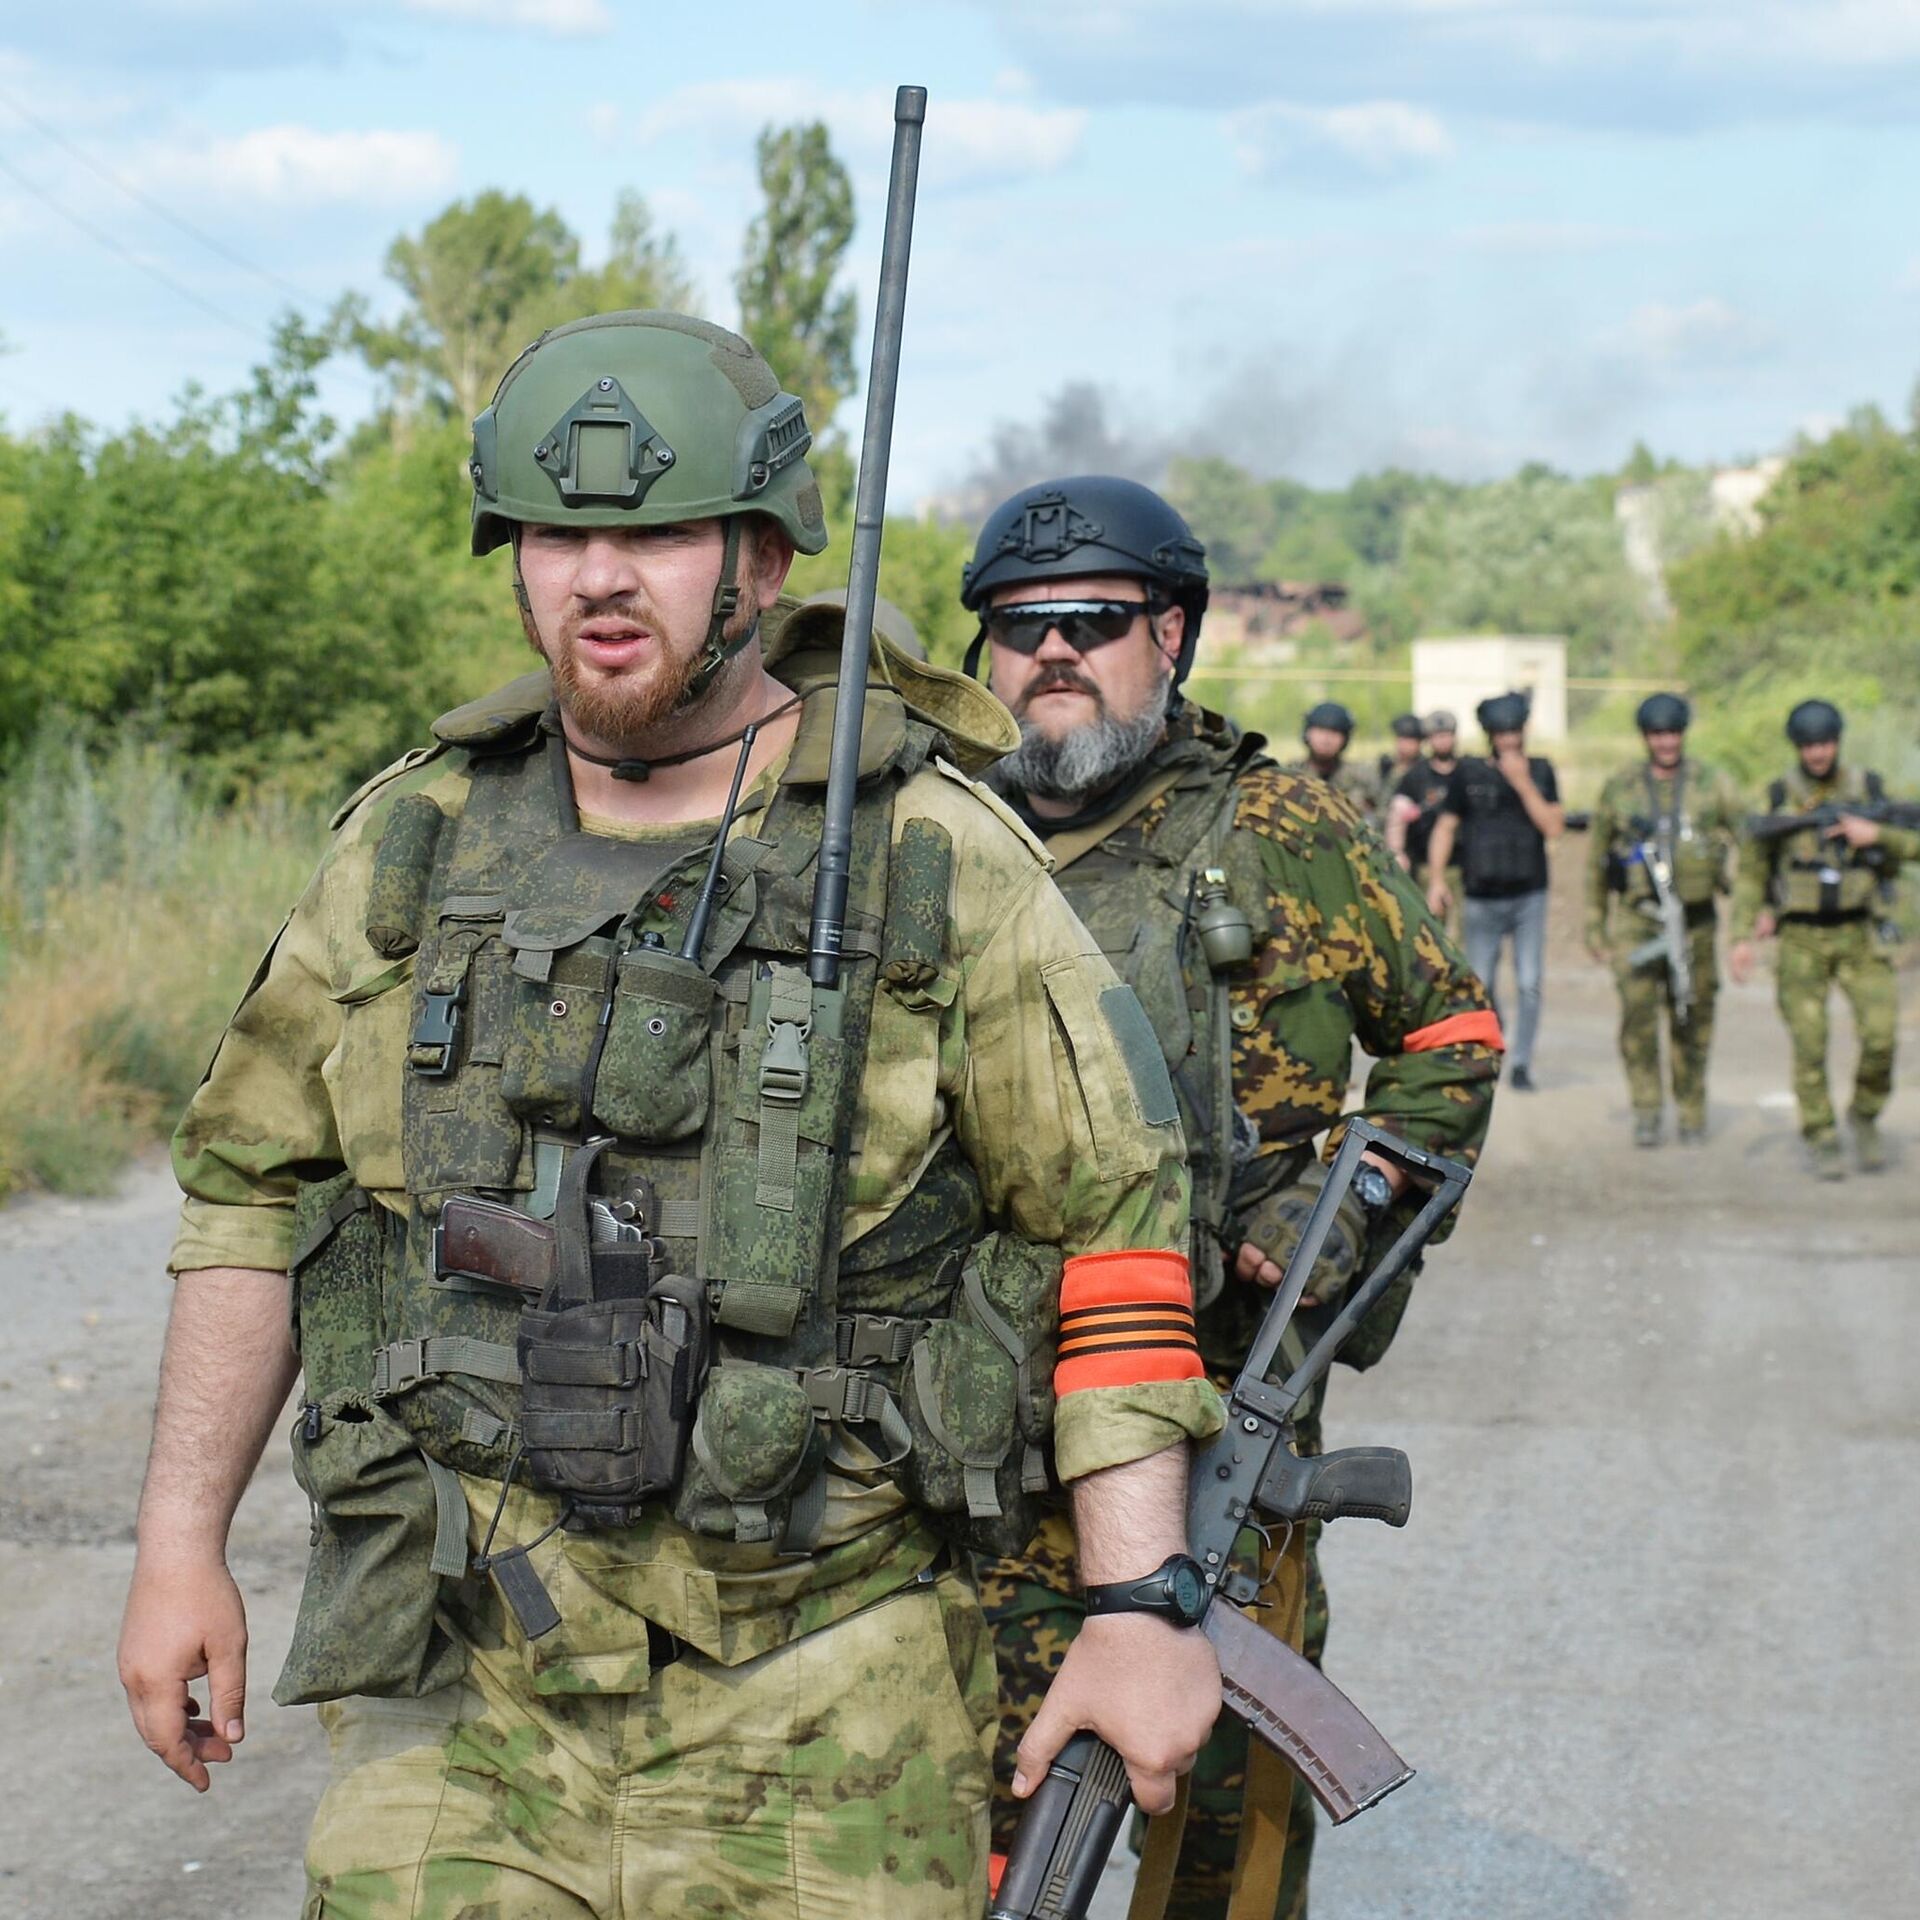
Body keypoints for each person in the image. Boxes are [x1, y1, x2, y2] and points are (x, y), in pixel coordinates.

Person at [115, 315, 1229, 1920]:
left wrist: (1139, 1600)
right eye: (561, 534)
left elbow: (1111, 1221)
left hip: (823, 1686)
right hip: (464, 1681)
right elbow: (245, 1197)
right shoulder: (412, 842)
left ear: (763, 557)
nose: (602, 577)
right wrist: (178, 1544)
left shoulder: (932, 852)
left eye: (658, 533)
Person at [957, 474, 1501, 1920]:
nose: (1051, 653)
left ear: (1173, 632)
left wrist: (1339, 1214)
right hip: (974, 1435)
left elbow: (1450, 1038)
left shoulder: (1278, 824)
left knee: (1224, 1826)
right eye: (1018, 630)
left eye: (1092, 620)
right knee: (993, 1815)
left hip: (1219, 1419)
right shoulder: (941, 841)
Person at [1729, 698, 1918, 1177]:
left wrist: (1875, 835)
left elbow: (1911, 844)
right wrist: (1742, 935)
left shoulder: (1869, 789)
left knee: (1881, 1038)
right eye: (1810, 744)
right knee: (1809, 1044)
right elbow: (1751, 872)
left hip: (1859, 933)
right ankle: (1821, 1134)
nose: (1819, 753)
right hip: (1801, 939)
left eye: (1826, 742)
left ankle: (1864, 1116)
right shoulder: (1778, 798)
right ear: (1798, 747)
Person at [1584, 694, 1742, 1147]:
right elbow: (1597, 859)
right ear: (1645, 737)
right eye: (1657, 734)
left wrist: (1751, 912)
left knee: (1692, 1016)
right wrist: (1595, 922)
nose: (1666, 742)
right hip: (1638, 920)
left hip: (1695, 922)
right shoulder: (1620, 787)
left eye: (1673, 733)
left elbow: (1750, 840)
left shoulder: (1712, 784)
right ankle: (1648, 1109)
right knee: (1637, 1021)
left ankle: (1691, 1110)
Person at [1425, 691, 1564, 1092]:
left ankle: (1521, 1064)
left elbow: (1553, 827)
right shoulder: (1467, 773)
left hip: (1528, 896)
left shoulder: (1540, 770)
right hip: (1480, 897)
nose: (1508, 740)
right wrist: (1436, 880)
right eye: (1501, 733)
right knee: (1481, 982)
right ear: (1490, 734)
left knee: (1529, 981)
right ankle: (1495, 1040)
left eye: (1514, 732)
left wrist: (1521, 782)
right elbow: (1446, 827)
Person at [1384, 708, 1458, 881]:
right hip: (1422, 862)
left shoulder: (1467, 771)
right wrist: (1397, 851)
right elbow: (1398, 813)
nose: (1442, 741)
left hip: (1461, 861)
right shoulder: (1416, 775)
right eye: (1437, 735)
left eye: (1446, 735)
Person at [1284, 700, 1381, 811]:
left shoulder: (1361, 777)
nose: (1326, 739)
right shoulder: (1289, 774)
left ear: (1345, 738)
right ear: (1307, 733)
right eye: (1320, 730)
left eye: (1334, 732)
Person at [1376, 712, 1425, 822]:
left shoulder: (1424, 770)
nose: (1404, 745)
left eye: (1410, 740)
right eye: (1401, 739)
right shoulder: (1386, 766)